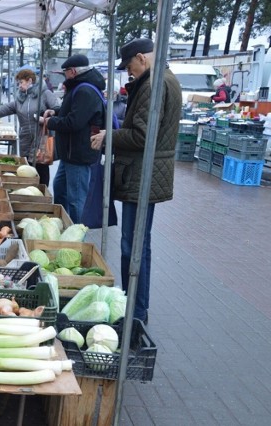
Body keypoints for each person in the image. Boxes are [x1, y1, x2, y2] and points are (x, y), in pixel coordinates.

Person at [90, 38, 182, 324]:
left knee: (134, 246)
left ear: (141, 58)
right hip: (147, 172)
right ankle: (135, 307)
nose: (129, 72)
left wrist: (109, 137)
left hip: (143, 173)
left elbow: (142, 136)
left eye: (129, 66)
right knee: (139, 244)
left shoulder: (154, 84)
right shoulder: (164, 79)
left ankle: (135, 312)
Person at [41, 54, 106, 223]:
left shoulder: (85, 90)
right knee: (60, 188)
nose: (64, 76)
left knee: (76, 199)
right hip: (69, 153)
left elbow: (74, 122)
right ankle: (62, 224)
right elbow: (72, 111)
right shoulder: (80, 88)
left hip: (78, 153)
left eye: (65, 72)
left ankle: (77, 238)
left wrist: (51, 122)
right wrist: (56, 111)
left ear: (73, 71)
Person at [0, 69, 58, 185]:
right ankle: (29, 193)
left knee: (40, 167)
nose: (19, 86)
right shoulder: (21, 98)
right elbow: (5, 109)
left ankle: (43, 194)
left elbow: (58, 110)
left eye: (21, 82)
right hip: (25, 138)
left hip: (40, 139)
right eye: (18, 83)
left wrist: (47, 117)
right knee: (25, 169)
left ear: (30, 81)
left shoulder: (45, 94)